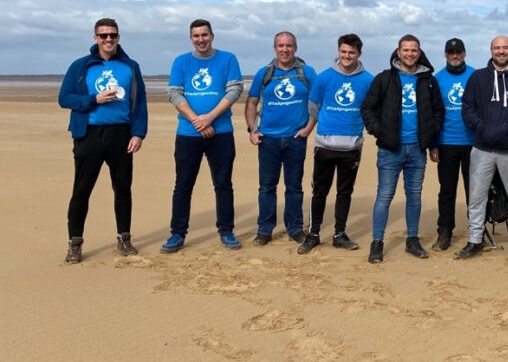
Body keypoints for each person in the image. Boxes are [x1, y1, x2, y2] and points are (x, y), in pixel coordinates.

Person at [58, 18, 148, 263]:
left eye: (113, 35)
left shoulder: (130, 67)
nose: (108, 40)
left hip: (121, 134)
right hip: (89, 134)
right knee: (81, 191)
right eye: (103, 35)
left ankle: (124, 238)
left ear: (119, 37)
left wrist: (139, 133)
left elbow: (139, 103)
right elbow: (65, 98)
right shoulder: (80, 66)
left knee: (122, 190)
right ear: (95, 38)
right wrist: (93, 99)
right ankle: (74, 243)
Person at [162, 19, 244, 253]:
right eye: (196, 36)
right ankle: (177, 234)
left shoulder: (228, 59)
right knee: (183, 185)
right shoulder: (182, 62)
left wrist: (209, 117)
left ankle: (226, 231)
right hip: (188, 134)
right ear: (191, 38)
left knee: (223, 184)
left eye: (205, 35)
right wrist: (197, 121)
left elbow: (235, 89)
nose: (201, 40)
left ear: (212, 36)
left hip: (221, 133)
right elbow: (175, 93)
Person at [360, 35, 444, 263]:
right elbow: (368, 108)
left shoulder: (428, 81)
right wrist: (380, 131)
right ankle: (377, 242)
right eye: (405, 50)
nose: (409, 54)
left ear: (419, 53)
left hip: (417, 149)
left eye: (413, 50)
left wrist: (432, 140)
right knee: (385, 196)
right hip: (390, 149)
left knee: (414, 196)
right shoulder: (385, 79)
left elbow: (438, 112)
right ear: (398, 52)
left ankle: (412, 240)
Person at [453, 35, 508, 262]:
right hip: (482, 149)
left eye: (505, 47)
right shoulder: (478, 78)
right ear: (491, 50)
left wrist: (507, 129)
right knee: (477, 198)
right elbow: (467, 108)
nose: (501, 51)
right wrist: (483, 128)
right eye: (497, 48)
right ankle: (475, 241)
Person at [297, 34, 373, 255]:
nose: (347, 56)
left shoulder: (367, 79)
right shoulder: (324, 77)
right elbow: (313, 104)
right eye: (343, 52)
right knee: (319, 191)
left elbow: (371, 107)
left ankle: (340, 234)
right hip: (325, 144)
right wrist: (321, 125)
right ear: (338, 52)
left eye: (351, 52)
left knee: (344, 192)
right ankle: (313, 234)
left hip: (352, 146)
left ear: (359, 54)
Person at [244, 31, 317, 246]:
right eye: (280, 46)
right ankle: (265, 229)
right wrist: (252, 129)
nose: (285, 50)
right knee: (267, 186)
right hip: (268, 139)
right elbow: (251, 102)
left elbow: (317, 102)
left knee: (294, 187)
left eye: (289, 46)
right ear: (274, 48)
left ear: (295, 48)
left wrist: (308, 128)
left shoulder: (307, 72)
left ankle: (295, 228)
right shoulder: (265, 73)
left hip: (296, 138)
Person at [430, 38, 475, 251]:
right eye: (451, 53)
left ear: (464, 53)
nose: (455, 56)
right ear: (446, 55)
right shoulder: (437, 79)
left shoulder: (476, 76)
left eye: (458, 52)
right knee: (447, 190)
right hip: (447, 142)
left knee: (474, 191)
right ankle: (444, 232)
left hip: (473, 143)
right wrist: (433, 144)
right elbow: (432, 113)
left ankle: (477, 232)